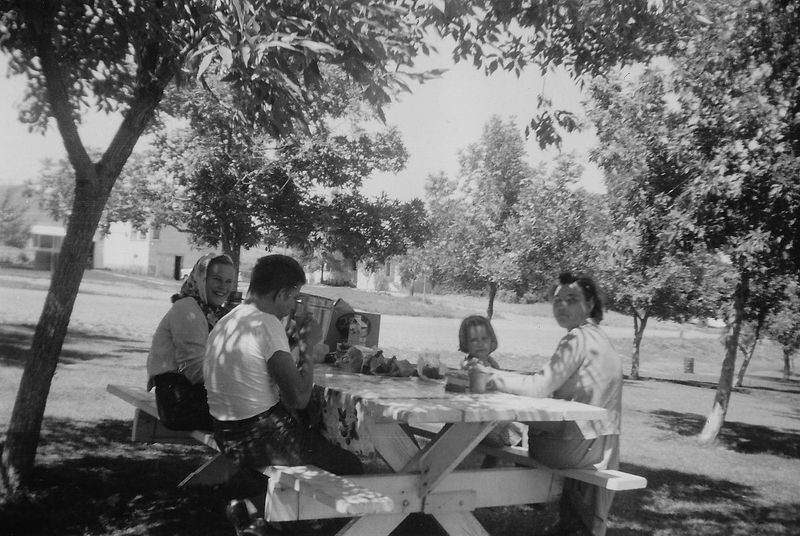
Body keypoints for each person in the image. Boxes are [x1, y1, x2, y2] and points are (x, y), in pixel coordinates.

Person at [204, 254, 363, 536]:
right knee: (351, 466)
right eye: (293, 298)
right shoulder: (267, 324)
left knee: (319, 438)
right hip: (259, 435)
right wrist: (309, 347)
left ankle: (253, 510)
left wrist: (298, 346)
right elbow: (299, 398)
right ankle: (300, 523)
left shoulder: (228, 321)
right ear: (281, 294)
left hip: (226, 433)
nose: (293, 306)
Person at [469, 272, 622, 536]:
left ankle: (484, 492)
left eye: (571, 299)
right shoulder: (599, 338)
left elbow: (539, 387)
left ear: (590, 305)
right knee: (516, 425)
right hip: (603, 446)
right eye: (557, 300)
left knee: (496, 430)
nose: (562, 305)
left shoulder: (577, 339)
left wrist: (491, 377)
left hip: (572, 449)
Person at [146, 253, 235, 431]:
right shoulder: (187, 309)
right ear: (201, 278)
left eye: (228, 281)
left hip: (194, 396)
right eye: (217, 279)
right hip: (179, 402)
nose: (223, 287)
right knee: (262, 418)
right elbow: (194, 370)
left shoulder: (212, 313)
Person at [458, 315, 526, 467]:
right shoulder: (471, 364)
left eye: (484, 339)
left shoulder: (491, 362)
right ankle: (499, 465)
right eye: (474, 340)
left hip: (493, 413)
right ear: (466, 344)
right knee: (509, 435)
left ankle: (501, 465)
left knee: (517, 431)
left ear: (491, 341)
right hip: (478, 416)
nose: (480, 344)